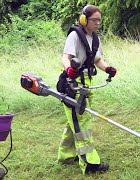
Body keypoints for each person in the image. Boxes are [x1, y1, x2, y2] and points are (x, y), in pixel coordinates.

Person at [57, 5, 117, 174]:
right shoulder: (75, 35)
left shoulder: (95, 38)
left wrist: (107, 68)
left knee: (75, 120)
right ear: (84, 19)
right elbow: (65, 57)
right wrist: (69, 69)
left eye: (99, 20)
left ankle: (66, 156)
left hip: (87, 83)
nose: (98, 23)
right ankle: (90, 164)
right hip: (72, 83)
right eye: (94, 20)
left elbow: (97, 59)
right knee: (81, 122)